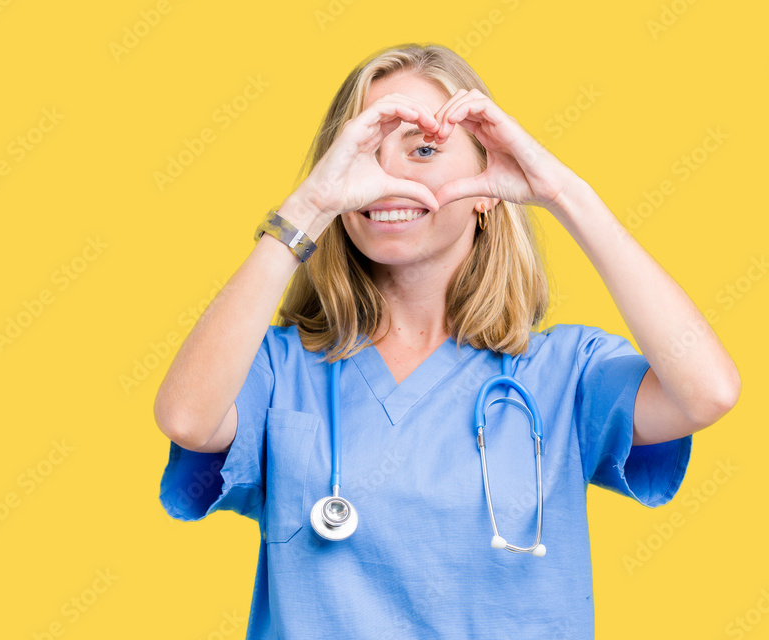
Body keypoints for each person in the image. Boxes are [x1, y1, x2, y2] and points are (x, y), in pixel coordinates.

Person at [152, 42, 741, 638]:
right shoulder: (282, 369)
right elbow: (187, 418)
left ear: (490, 187)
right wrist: (308, 206)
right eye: (363, 155)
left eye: (424, 149)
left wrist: (564, 194)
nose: (386, 179)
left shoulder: (566, 374)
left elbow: (708, 392)